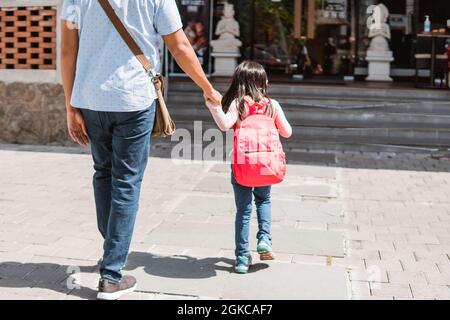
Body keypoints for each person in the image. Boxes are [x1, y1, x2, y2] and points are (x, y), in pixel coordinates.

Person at [60, 0, 221, 300]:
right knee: (126, 182)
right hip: (133, 100)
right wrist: (207, 88)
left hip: (91, 99)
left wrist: (71, 106)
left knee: (103, 173)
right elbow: (180, 45)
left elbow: (68, 49)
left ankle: (112, 252)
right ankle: (111, 275)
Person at [205, 61, 292, 274]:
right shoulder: (272, 105)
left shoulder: (238, 104)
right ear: (263, 82)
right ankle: (264, 239)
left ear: (240, 82)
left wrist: (213, 106)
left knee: (243, 211)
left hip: (242, 166)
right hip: (265, 167)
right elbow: (287, 132)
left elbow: (225, 125)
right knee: (264, 200)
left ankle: (242, 259)